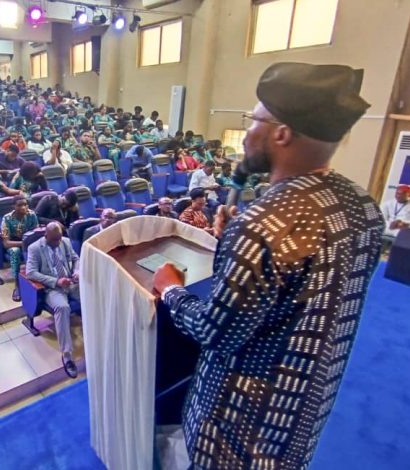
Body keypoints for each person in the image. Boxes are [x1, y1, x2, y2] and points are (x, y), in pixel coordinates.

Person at [152, 62, 383, 469]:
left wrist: (171, 289)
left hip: (239, 427)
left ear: (281, 133)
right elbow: (298, 290)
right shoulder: (362, 205)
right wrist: (235, 243)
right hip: (306, 409)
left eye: (253, 119)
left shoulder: (262, 225)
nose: (247, 134)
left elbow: (215, 332)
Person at [25, 222, 80, 378]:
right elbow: (31, 273)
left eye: (59, 238)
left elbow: (76, 258)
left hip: (71, 282)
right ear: (46, 235)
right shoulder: (35, 248)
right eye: (54, 239)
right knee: (62, 308)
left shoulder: (66, 242)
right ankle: (67, 355)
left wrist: (76, 271)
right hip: (53, 288)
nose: (57, 243)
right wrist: (56, 281)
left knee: (93, 292)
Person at [1, 196, 39, 301]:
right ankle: (17, 285)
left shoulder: (31, 215)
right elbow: (6, 243)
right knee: (15, 251)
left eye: (25, 204)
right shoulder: (7, 218)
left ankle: (38, 280)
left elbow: (36, 233)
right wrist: (23, 244)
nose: (23, 207)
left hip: (29, 242)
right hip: (15, 244)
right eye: (20, 205)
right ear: (14, 206)